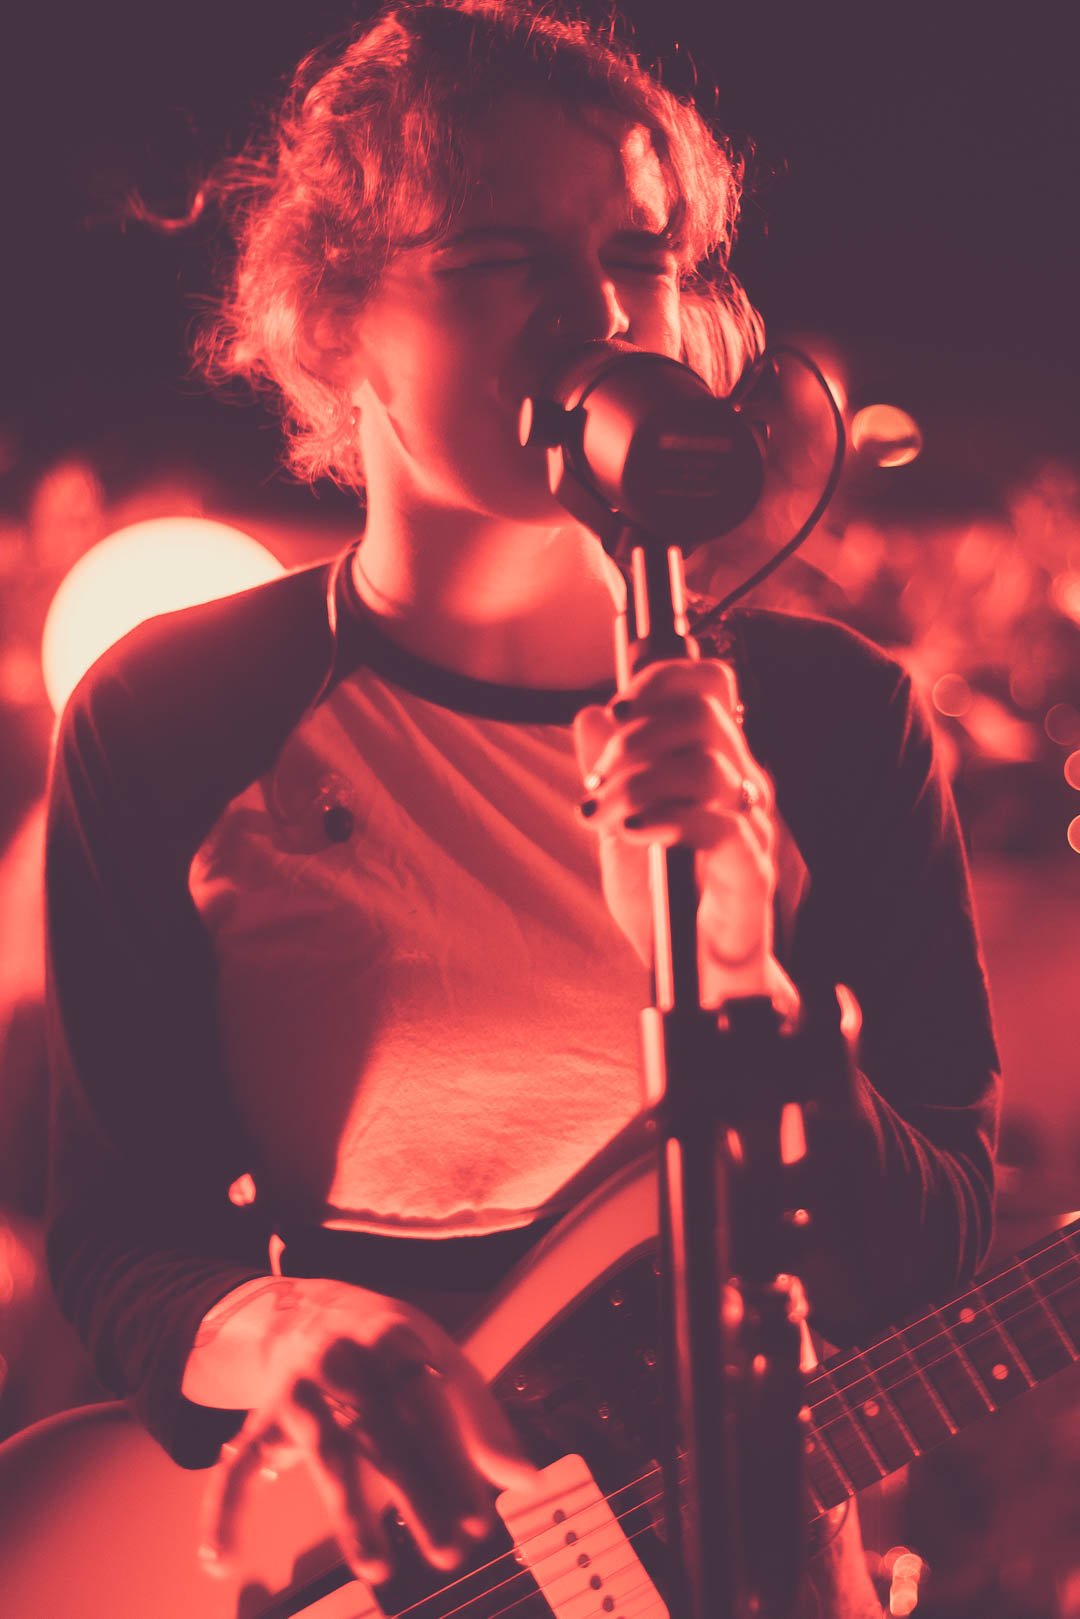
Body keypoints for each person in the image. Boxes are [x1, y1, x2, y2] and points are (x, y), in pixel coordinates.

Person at [43, 3, 1000, 1614]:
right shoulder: (169, 715)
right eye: (496, 260)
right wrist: (297, 1335)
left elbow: (941, 1246)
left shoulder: (833, 721)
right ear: (337, 322)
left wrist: (754, 985)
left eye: (643, 256)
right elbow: (118, 1243)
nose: (599, 318)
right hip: (360, 1559)